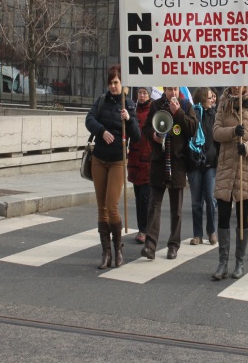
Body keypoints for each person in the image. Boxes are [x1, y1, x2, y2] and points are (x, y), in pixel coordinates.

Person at [85, 65, 140, 269]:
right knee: (101, 208)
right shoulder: (102, 100)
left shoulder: (129, 104)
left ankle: (118, 248)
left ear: (122, 83)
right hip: (99, 159)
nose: (113, 86)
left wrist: (129, 119)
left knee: (112, 206)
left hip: (117, 160)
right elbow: (89, 120)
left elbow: (137, 136)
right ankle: (106, 252)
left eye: (116, 82)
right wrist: (101, 131)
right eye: (110, 83)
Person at [211, 86, 248, 279]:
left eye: (239, 83)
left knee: (242, 217)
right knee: (223, 215)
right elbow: (216, 132)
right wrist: (233, 131)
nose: (236, 86)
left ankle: (239, 262)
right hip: (226, 166)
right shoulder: (223, 102)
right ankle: (222, 263)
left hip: (245, 167)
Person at [141, 87, 198, 260]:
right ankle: (150, 245)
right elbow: (146, 128)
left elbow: (193, 128)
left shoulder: (186, 105)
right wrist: (154, 136)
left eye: (175, 89)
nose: (173, 93)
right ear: (164, 90)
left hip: (178, 163)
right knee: (154, 206)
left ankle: (173, 245)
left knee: (176, 209)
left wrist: (178, 112)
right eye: (169, 89)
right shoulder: (155, 106)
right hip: (159, 162)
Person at [188, 87, 219, 246]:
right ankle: (197, 234)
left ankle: (211, 231)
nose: (213, 99)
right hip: (194, 163)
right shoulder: (192, 114)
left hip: (211, 163)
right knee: (196, 202)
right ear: (201, 99)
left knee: (210, 199)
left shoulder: (216, 116)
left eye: (213, 97)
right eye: (209, 97)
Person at [127, 87, 153, 244]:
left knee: (145, 197)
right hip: (134, 158)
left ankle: (146, 229)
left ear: (149, 95)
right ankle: (141, 228)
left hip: (147, 159)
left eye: (144, 93)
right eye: (140, 93)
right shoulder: (133, 110)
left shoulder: (153, 111)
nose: (142, 96)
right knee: (138, 197)